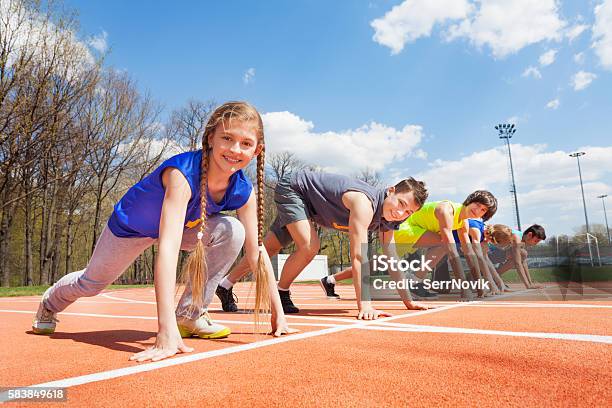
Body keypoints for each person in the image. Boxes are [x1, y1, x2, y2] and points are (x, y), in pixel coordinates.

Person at [32, 101, 296, 362]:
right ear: (211, 138)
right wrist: (165, 332)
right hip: (132, 228)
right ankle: (50, 303)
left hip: (186, 229)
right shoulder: (182, 175)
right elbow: (168, 249)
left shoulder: (243, 191)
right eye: (227, 138)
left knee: (232, 231)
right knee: (91, 284)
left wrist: (277, 313)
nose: (235, 149)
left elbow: (256, 252)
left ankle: (190, 315)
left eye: (246, 143)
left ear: (257, 150)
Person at [215, 170, 430, 319]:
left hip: (312, 209)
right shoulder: (364, 203)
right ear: (391, 190)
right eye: (401, 203)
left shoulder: (390, 221)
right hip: (295, 189)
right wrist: (364, 304)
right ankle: (282, 291)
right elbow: (358, 256)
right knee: (309, 246)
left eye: (408, 212)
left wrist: (408, 301)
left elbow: (391, 260)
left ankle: (224, 285)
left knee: (269, 248)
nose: (401, 213)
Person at [393, 192, 498, 300]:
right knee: (445, 244)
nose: (477, 210)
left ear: (484, 215)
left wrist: (480, 287)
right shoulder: (447, 211)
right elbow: (452, 251)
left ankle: (413, 280)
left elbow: (469, 253)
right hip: (403, 227)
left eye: (483, 210)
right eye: (477, 204)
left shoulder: (463, 223)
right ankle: (413, 280)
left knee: (446, 244)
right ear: (470, 201)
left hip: (416, 230)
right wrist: (464, 289)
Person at [488, 224, 546, 289]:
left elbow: (523, 262)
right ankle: (493, 277)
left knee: (523, 253)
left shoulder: (521, 238)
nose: (536, 244)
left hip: (495, 254)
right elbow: (517, 263)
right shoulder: (517, 239)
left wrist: (530, 283)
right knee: (522, 253)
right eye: (536, 241)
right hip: (489, 254)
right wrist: (528, 286)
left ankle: (494, 277)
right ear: (529, 235)